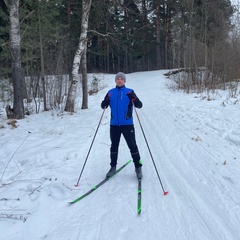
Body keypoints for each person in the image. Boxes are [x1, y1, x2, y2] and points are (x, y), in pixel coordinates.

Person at [101, 72, 143, 179]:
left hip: (127, 124)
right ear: (115, 81)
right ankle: (113, 167)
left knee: (132, 145)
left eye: (121, 79)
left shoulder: (129, 92)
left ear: (124, 81)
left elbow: (139, 105)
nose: (119, 80)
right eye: (117, 79)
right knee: (114, 146)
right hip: (114, 124)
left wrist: (134, 98)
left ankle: (138, 167)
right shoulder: (110, 92)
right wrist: (105, 101)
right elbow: (103, 106)